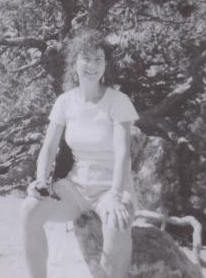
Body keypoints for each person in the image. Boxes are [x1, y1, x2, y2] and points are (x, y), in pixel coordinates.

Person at [21, 30, 139, 278]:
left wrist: (117, 196)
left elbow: (122, 153)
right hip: (75, 187)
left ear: (105, 65)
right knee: (30, 209)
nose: (92, 65)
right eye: (86, 58)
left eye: (99, 59)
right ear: (75, 62)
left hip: (111, 187)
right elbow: (49, 147)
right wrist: (41, 180)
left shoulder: (118, 101)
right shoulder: (65, 102)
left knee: (117, 223)